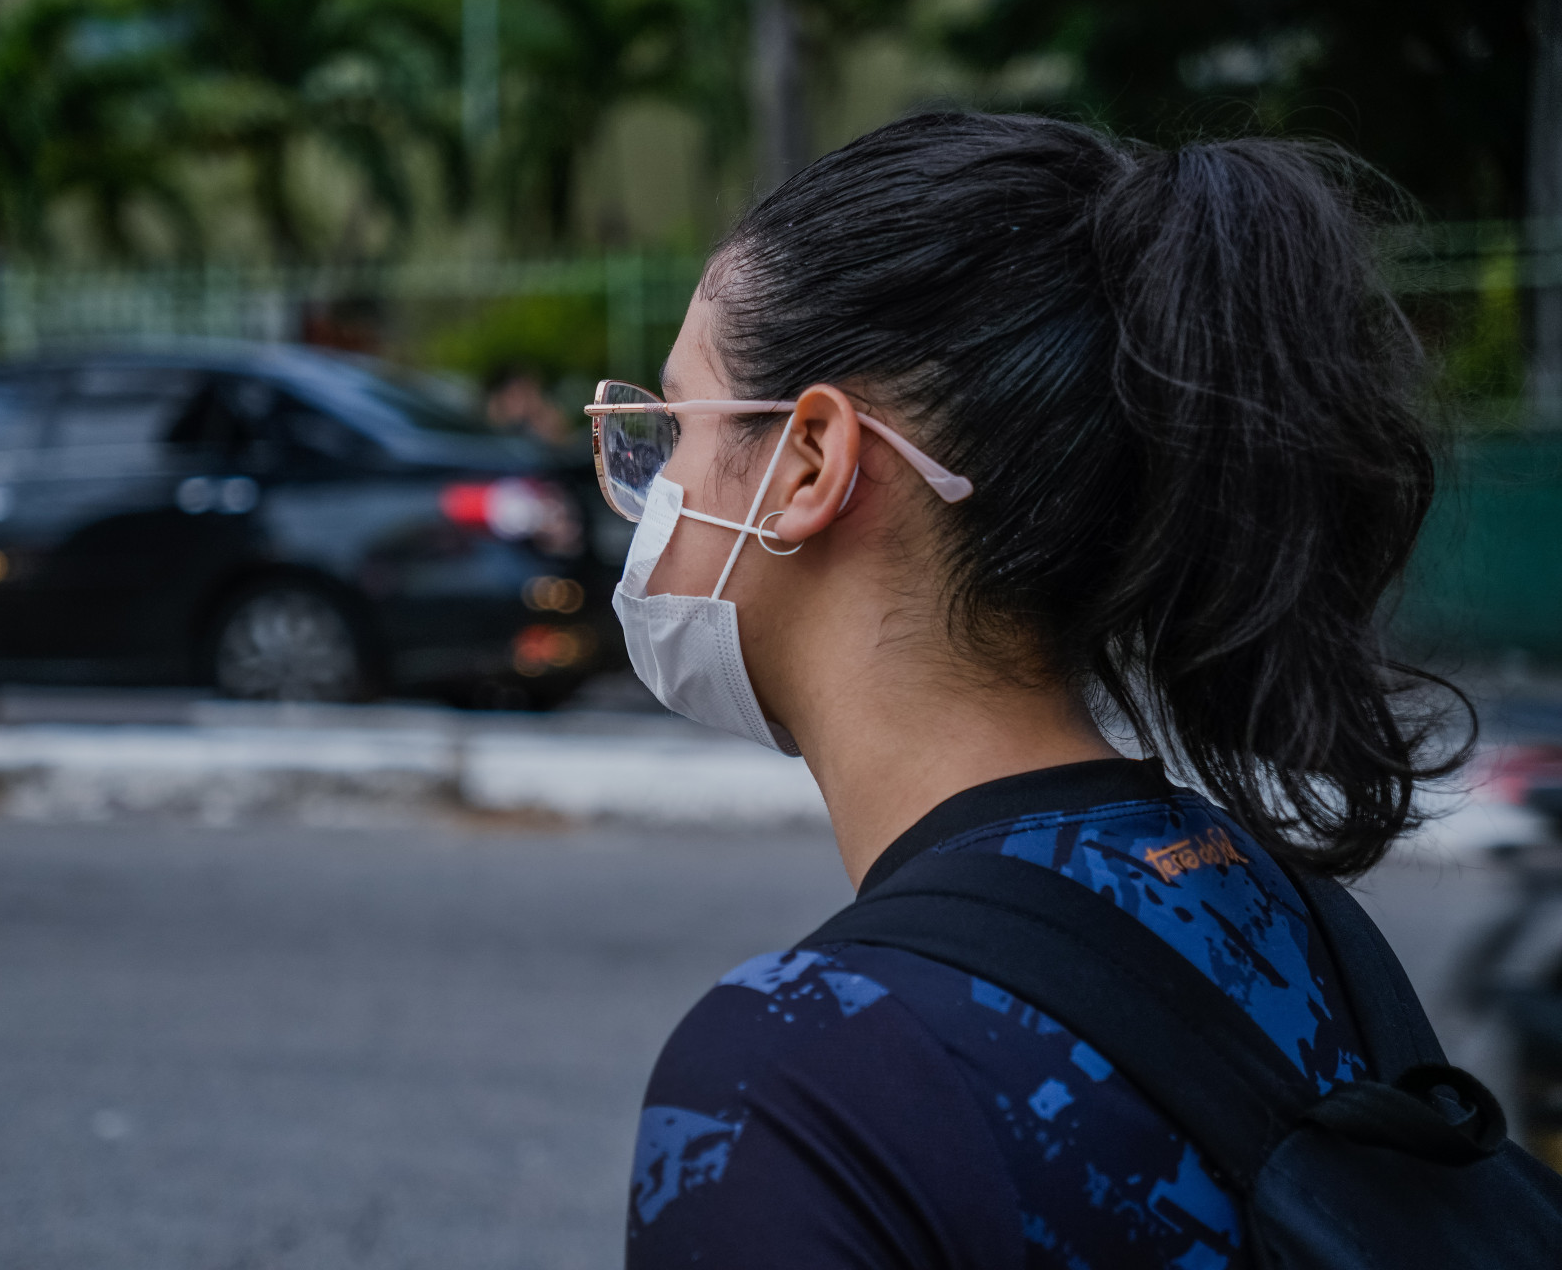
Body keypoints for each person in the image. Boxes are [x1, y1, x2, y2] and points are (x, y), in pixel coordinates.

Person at [586, 112, 1470, 1269]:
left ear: (809, 461)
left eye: (681, 421)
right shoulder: (1291, 912)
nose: (652, 487)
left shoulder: (798, 1075)